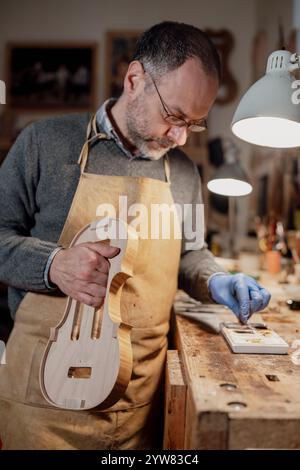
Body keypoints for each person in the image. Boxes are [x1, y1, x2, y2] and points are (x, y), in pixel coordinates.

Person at [0, 21, 270, 450]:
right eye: (174, 116)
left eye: (194, 124)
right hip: (43, 401)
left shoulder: (182, 171)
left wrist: (214, 279)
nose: (181, 137)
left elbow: (190, 254)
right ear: (134, 79)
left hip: (137, 405)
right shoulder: (42, 144)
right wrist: (53, 265)